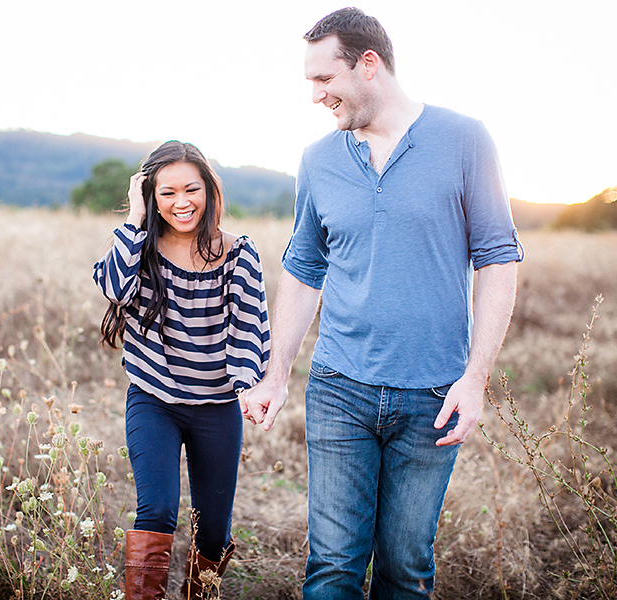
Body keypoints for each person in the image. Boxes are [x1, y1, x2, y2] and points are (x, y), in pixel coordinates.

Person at [239, 7, 522, 600]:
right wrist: (275, 374)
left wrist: (475, 379)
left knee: (405, 571)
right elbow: (305, 267)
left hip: (433, 396)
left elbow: (497, 256)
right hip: (340, 387)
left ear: (368, 65)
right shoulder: (318, 161)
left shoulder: (465, 140)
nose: (315, 96)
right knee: (333, 568)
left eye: (324, 80)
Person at [93, 141, 271, 599]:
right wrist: (134, 219)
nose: (181, 202)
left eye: (191, 189)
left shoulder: (238, 254)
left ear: (209, 191)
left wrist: (247, 386)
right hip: (154, 401)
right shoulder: (139, 248)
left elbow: (247, 330)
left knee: (212, 532)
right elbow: (113, 288)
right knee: (157, 511)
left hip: (216, 408)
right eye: (166, 193)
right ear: (151, 196)